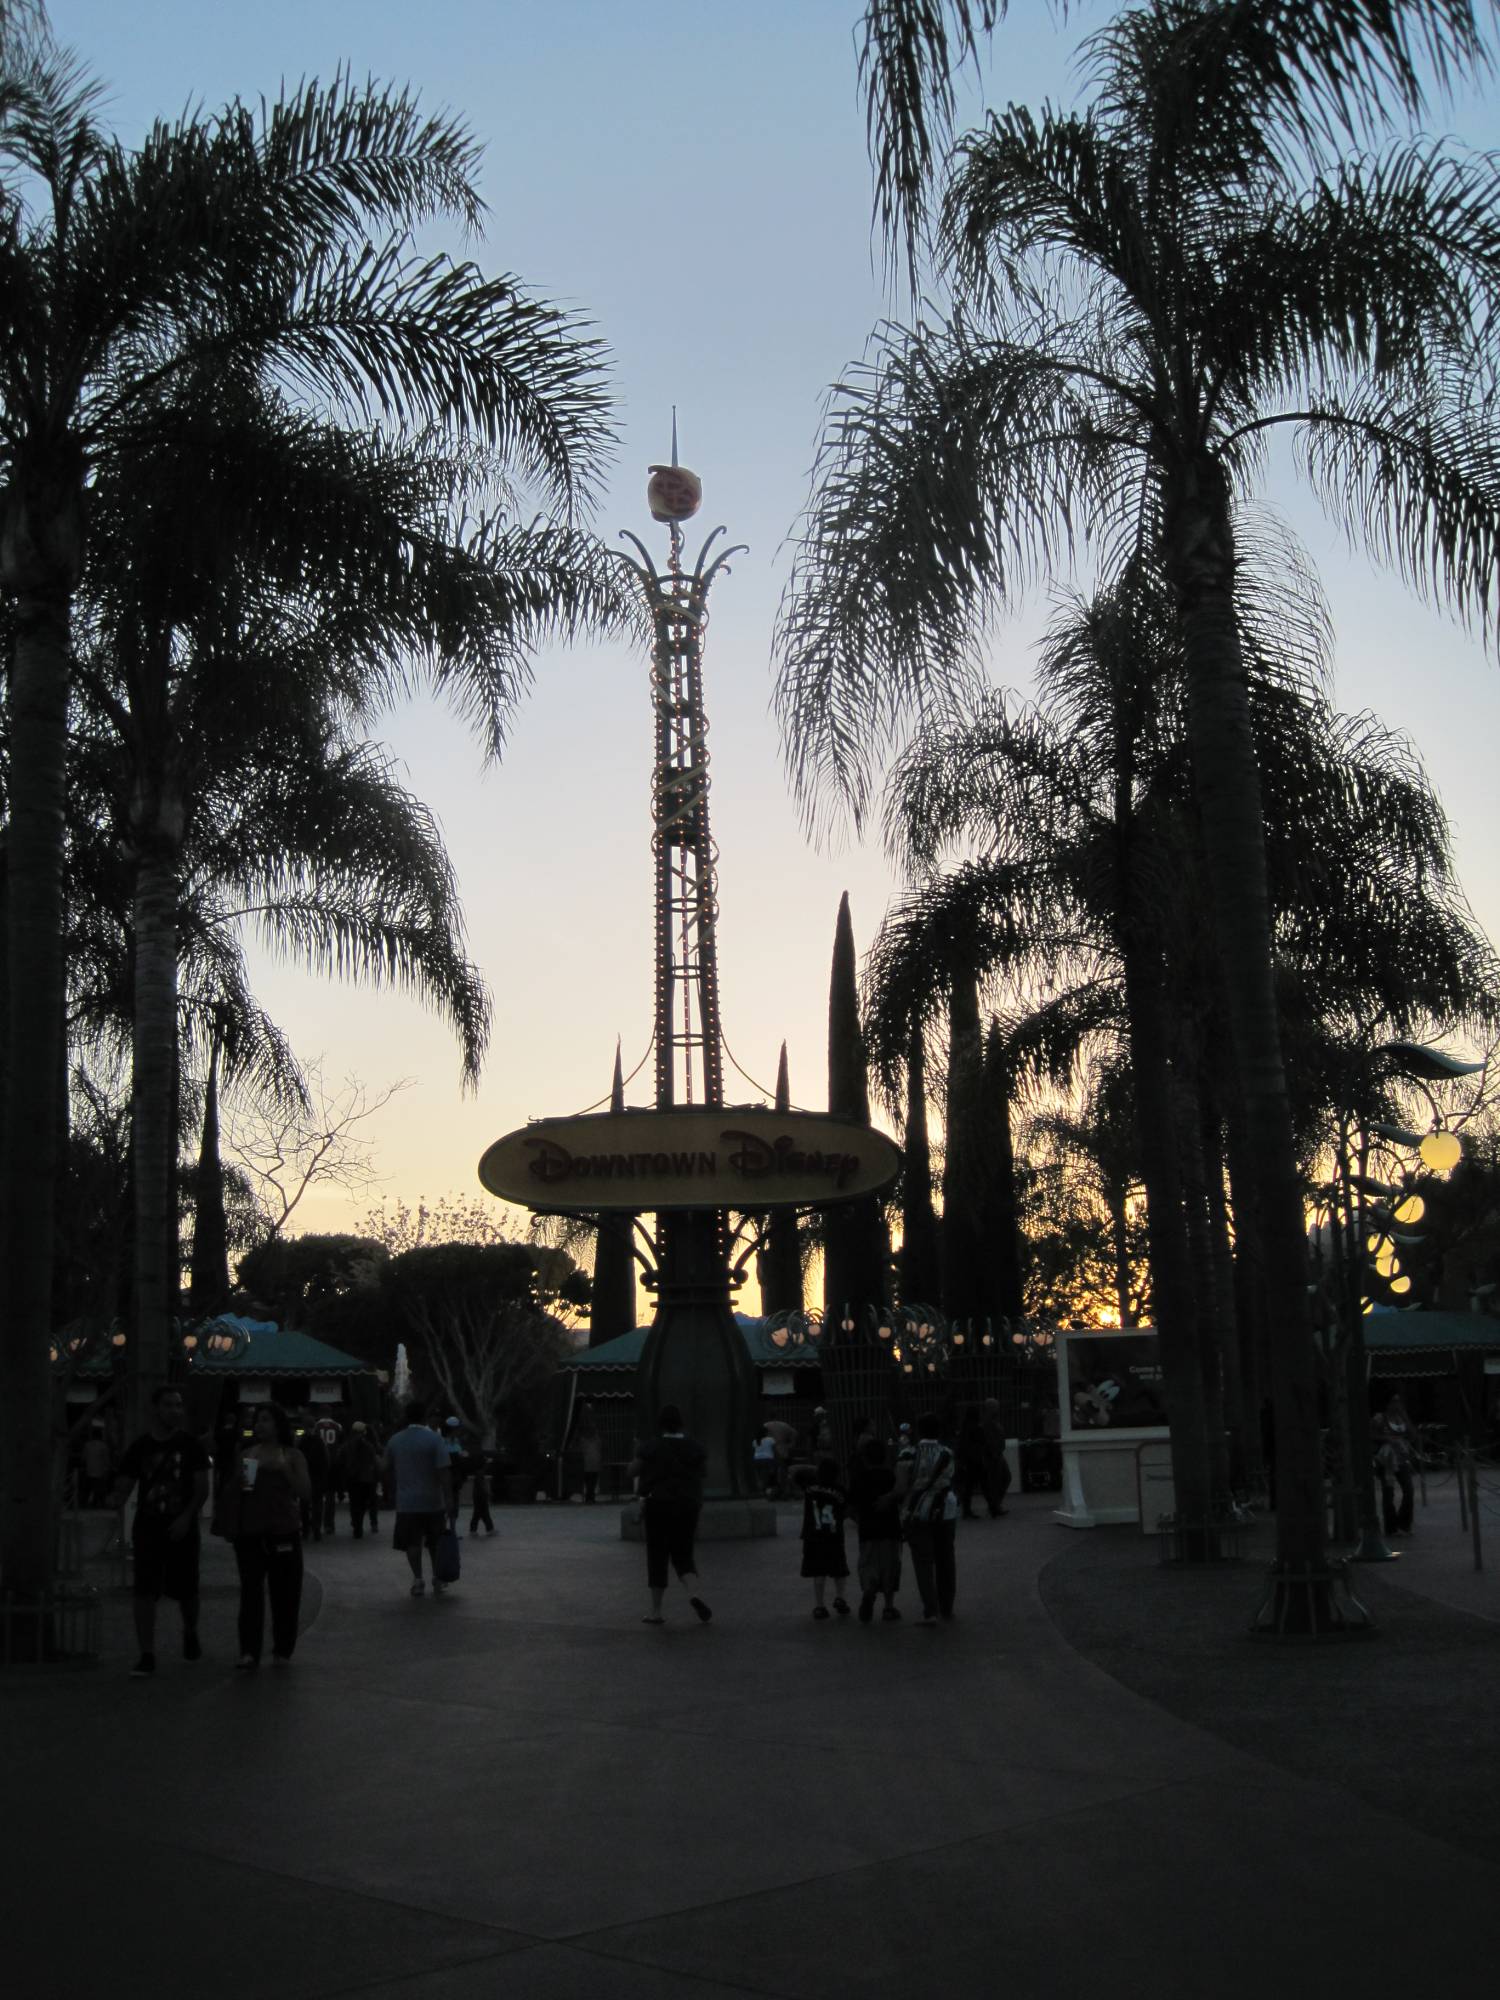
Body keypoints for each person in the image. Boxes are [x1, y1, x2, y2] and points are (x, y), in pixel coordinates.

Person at [111, 1386, 211, 1677]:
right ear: (155, 1409)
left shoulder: (190, 1446)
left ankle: (190, 1629)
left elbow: (202, 1488)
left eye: (179, 1405)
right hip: (149, 1526)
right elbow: (126, 1482)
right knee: (144, 1590)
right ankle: (147, 1653)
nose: (175, 1410)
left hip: (182, 1526)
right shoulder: (141, 1447)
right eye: (169, 1405)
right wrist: (115, 1498)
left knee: (188, 1590)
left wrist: (187, 1517)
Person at [220, 1404, 312, 1669]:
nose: (259, 1425)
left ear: (278, 1424)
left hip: (284, 1531)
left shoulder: (292, 1455)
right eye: (256, 1421)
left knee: (285, 1593)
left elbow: (305, 1492)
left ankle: (282, 1648)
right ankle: (249, 1650)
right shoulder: (248, 1454)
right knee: (250, 1593)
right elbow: (245, 1491)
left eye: (265, 1420)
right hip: (251, 1532)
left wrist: (284, 1471)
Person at [629, 1404, 711, 1625]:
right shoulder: (694, 1447)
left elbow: (632, 1471)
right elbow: (703, 1473)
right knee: (684, 1554)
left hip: (659, 1505)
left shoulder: (652, 1446)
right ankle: (694, 1593)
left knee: (657, 1556)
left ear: (660, 1424)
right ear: (681, 1423)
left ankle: (656, 1611)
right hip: (688, 1505)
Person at [384, 1402, 454, 1596]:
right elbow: (444, 1472)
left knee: (412, 1543)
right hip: (433, 1501)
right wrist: (449, 1499)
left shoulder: (395, 1440)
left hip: (407, 1503)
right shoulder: (434, 1440)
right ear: (424, 1417)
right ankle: (438, 1578)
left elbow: (385, 1467)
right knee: (435, 1543)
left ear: (406, 1416)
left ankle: (418, 1579)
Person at [898, 1413, 959, 1623]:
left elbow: (902, 1487)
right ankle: (947, 1606)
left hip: (918, 1512)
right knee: (946, 1559)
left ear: (918, 1430)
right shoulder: (948, 1453)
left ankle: (930, 1610)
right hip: (945, 1509)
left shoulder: (908, 1454)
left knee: (923, 1561)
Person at [848, 1436, 902, 1622]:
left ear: (865, 1458)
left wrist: (858, 1519)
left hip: (868, 1529)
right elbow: (899, 1497)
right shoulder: (890, 1476)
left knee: (869, 1564)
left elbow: (851, 1506)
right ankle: (888, 1607)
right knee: (890, 1566)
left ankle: (869, 1588)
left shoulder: (858, 1479)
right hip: (890, 1527)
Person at [800, 1455, 851, 1618]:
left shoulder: (810, 1487)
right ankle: (840, 1597)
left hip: (813, 1535)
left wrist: (813, 1471)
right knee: (839, 1569)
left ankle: (820, 1605)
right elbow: (846, 1510)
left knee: (818, 1572)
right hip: (834, 1535)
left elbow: (794, 1472)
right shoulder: (840, 1490)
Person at [1373, 1395, 1417, 1535]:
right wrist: (1386, 1438)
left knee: (1409, 1490)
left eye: (1399, 1401)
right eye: (1394, 1401)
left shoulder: (1402, 1418)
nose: (1396, 1404)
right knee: (1388, 1492)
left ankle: (1404, 1523)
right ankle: (1391, 1527)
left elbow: (1413, 1435)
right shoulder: (1379, 1419)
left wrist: (1405, 1416)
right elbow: (1371, 1435)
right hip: (1386, 1459)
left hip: (1402, 1458)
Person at [342, 1421, 382, 1539]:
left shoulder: (347, 1445)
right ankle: (367, 1522)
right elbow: (375, 1461)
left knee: (354, 1502)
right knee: (366, 1502)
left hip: (352, 1478)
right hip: (367, 1478)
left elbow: (340, 1458)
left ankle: (356, 1524)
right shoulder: (370, 1445)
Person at [979, 1397, 1012, 1517]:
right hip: (993, 1455)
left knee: (1002, 1478)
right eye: (995, 1406)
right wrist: (993, 1452)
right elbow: (989, 1440)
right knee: (998, 1480)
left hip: (997, 1454)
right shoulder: (988, 1423)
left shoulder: (992, 1421)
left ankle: (995, 1504)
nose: (997, 1409)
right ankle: (995, 1505)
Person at [955, 1408, 985, 1519]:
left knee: (967, 1486)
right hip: (975, 1460)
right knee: (982, 1484)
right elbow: (982, 1442)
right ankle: (993, 1507)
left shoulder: (964, 1429)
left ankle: (966, 1510)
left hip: (966, 1460)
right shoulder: (977, 1428)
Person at [575, 1402, 604, 1503]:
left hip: (588, 1457)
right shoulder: (594, 1435)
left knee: (589, 1477)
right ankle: (590, 1495)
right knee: (592, 1477)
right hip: (592, 1457)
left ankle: (589, 1495)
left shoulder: (584, 1436)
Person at [81, 1426, 112, 1508]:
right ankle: (100, 1504)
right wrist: (107, 1469)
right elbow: (107, 1460)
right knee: (100, 1489)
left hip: (89, 1471)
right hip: (100, 1471)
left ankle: (85, 1504)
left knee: (87, 1489)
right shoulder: (103, 1446)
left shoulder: (87, 1445)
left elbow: (83, 1459)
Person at [469, 1451, 495, 1535]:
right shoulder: (480, 1473)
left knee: (478, 1513)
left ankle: (474, 1529)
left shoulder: (478, 1471)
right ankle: (489, 1529)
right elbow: (481, 1485)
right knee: (483, 1512)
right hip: (480, 1496)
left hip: (477, 1496)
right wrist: (487, 1493)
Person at [752, 1426, 779, 1496]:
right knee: (769, 1476)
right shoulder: (770, 1439)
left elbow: (755, 1450)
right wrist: (776, 1459)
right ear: (766, 1433)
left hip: (757, 1459)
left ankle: (760, 1491)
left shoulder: (755, 1441)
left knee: (760, 1477)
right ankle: (768, 1491)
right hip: (768, 1459)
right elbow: (774, 1450)